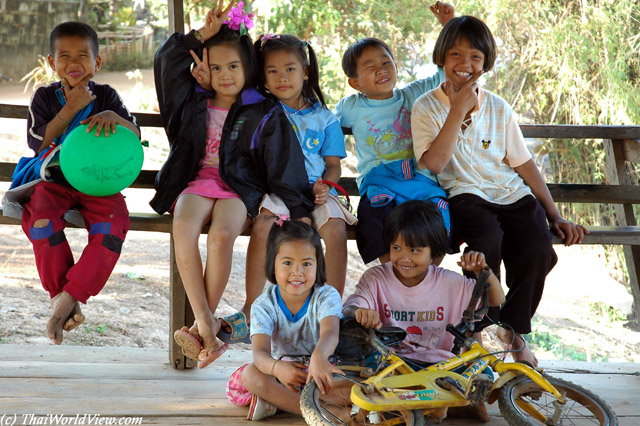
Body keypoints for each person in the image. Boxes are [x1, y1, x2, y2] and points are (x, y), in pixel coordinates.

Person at [411, 15, 588, 368]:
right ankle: (480, 331)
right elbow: (434, 163)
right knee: (486, 242)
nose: (465, 64)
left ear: (486, 63)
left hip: (511, 193)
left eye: (475, 57)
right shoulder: (426, 107)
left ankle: (512, 331)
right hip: (464, 194)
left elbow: (523, 165)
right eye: (456, 55)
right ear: (442, 58)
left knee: (539, 247)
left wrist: (554, 215)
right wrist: (458, 108)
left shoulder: (498, 107)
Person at [151, 1, 314, 367]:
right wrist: (198, 36)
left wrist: (299, 208)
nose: (225, 75)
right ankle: (207, 323)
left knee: (222, 236)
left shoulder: (262, 110)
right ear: (202, 67)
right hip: (196, 180)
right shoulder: (191, 101)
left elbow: (282, 162)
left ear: (248, 69)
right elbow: (166, 61)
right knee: (183, 226)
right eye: (216, 66)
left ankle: (199, 327)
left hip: (238, 188)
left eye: (234, 66)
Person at [10, 21, 140, 345]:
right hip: (54, 181)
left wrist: (116, 119)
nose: (74, 63)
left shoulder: (108, 96)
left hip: (99, 184)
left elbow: (135, 135)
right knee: (40, 220)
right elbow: (38, 144)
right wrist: (70, 109)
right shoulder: (43, 97)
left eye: (83, 55)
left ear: (97, 63)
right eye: (64, 56)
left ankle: (68, 297)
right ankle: (62, 296)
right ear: (52, 63)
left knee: (114, 226)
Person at [343, 200, 505, 422]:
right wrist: (361, 311)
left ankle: (428, 404)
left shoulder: (449, 282)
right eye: (396, 247)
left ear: (434, 252)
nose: (404, 258)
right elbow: (351, 306)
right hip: (394, 364)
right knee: (370, 374)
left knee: (483, 375)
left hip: (439, 365)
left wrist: (482, 271)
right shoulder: (377, 278)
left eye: (415, 250)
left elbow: (497, 299)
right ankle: (438, 405)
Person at [334, 2, 455, 265]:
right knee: (372, 219)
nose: (381, 70)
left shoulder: (412, 96)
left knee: (438, 217)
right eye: (370, 66)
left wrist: (447, 26)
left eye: (386, 62)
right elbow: (325, 129)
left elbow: (444, 73)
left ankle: (429, 271)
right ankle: (390, 273)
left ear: (396, 66)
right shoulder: (351, 107)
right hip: (379, 183)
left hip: (419, 179)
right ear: (354, 82)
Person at [253, 33, 357, 296]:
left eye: (290, 69)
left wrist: (327, 185)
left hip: (317, 192)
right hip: (279, 190)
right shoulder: (263, 113)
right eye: (273, 71)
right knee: (264, 223)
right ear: (263, 78)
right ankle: (250, 306)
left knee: (335, 228)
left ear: (306, 72)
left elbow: (333, 164)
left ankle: (332, 306)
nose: (282, 77)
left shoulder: (325, 118)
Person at [228, 219, 344, 421]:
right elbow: (260, 353)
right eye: (288, 263)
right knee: (249, 376)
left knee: (358, 385)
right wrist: (277, 369)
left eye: (307, 264)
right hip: (284, 373)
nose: (297, 272)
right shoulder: (263, 305)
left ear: (318, 265)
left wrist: (318, 358)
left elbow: (330, 333)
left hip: (323, 368)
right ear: (273, 264)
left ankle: (278, 402)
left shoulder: (327, 296)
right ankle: (325, 412)